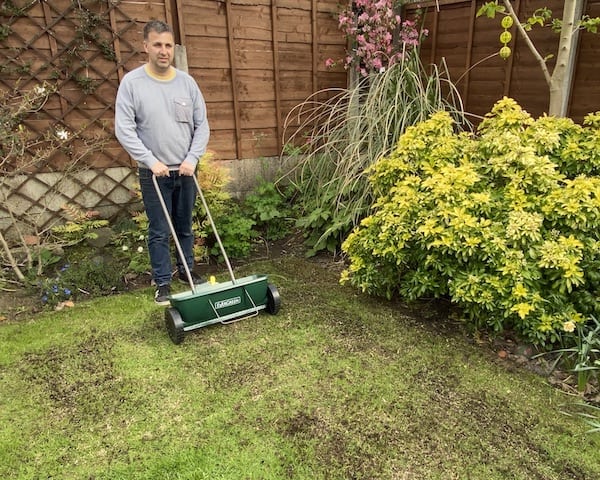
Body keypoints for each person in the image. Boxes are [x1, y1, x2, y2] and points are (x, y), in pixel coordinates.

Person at [115, 20, 210, 305]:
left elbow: (201, 125)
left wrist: (192, 158)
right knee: (159, 229)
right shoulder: (132, 83)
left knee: (185, 225)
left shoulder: (187, 83)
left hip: (186, 170)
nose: (163, 51)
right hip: (154, 173)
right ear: (146, 46)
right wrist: (149, 160)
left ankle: (187, 272)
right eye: (157, 44)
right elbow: (124, 129)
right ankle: (163, 282)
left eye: (168, 45)